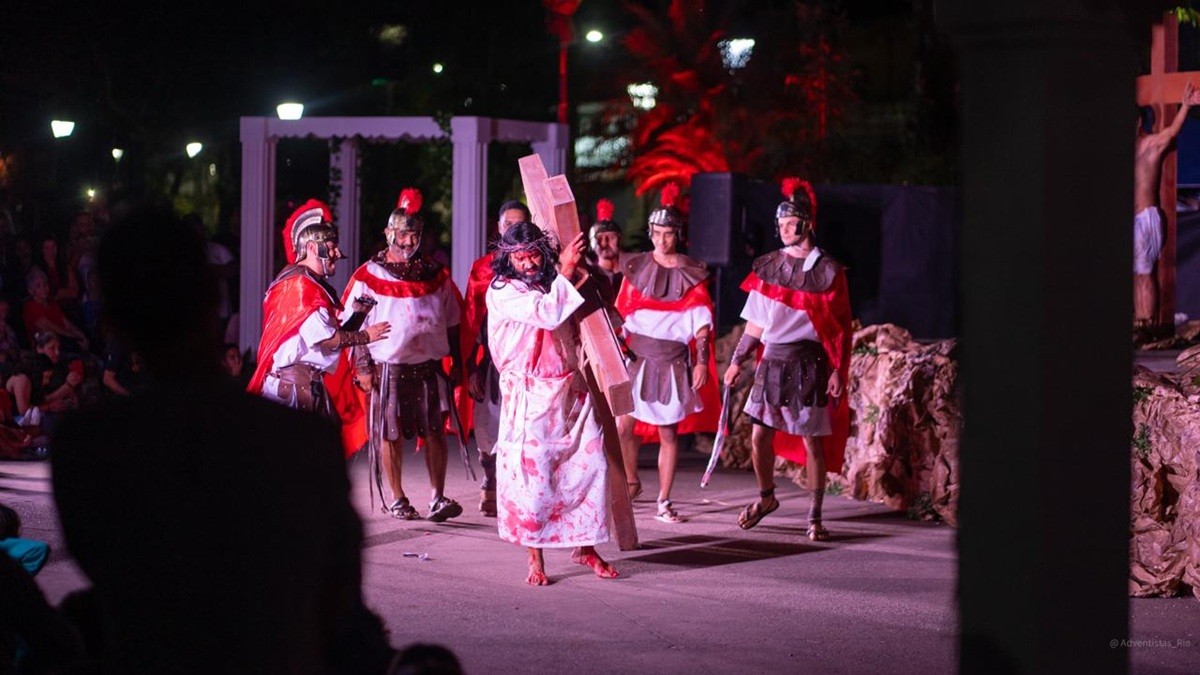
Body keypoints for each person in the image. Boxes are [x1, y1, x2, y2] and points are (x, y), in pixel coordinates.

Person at [50, 206, 391, 673]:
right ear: (213, 299)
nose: (335, 255)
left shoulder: (84, 447)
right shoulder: (300, 441)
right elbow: (337, 593)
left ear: (111, 317)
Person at [486, 221, 619, 585]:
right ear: (507, 258)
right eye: (520, 257)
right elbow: (547, 311)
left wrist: (582, 272)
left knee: (590, 466)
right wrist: (565, 268)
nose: (528, 264)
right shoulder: (503, 290)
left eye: (533, 255)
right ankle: (535, 557)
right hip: (528, 394)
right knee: (536, 478)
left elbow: (581, 304)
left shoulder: (551, 280)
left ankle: (585, 546)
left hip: (568, 387)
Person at [722, 178, 852, 541]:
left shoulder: (828, 271)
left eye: (789, 224)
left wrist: (837, 370)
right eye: (779, 225)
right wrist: (737, 360)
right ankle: (767, 498)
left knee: (813, 442)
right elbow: (756, 324)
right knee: (759, 436)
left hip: (810, 364)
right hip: (772, 362)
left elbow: (839, 329)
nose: (782, 231)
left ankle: (815, 516)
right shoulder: (769, 267)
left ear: (807, 224)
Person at [342, 188, 465, 523]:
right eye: (403, 234)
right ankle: (397, 499)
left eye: (415, 234)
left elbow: (455, 322)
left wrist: (456, 365)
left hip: (429, 368)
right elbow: (354, 325)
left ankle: (437, 498)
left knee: (436, 432)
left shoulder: (436, 274)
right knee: (389, 434)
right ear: (388, 233)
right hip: (388, 368)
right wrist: (363, 366)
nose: (409, 241)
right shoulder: (369, 275)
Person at [614, 183, 717, 523]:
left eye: (667, 233)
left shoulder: (691, 272)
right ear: (650, 233)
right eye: (656, 233)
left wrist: (702, 360)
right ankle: (627, 484)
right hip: (636, 360)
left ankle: (663, 501)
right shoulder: (636, 268)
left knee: (667, 434)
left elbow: (701, 323)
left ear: (678, 234)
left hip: (672, 362)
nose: (661, 239)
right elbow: (621, 318)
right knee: (622, 425)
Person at [247, 199, 389, 425]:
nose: (337, 253)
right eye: (331, 247)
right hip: (293, 393)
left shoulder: (308, 285)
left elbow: (326, 338)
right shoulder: (299, 286)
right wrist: (366, 336)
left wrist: (358, 315)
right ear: (312, 247)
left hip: (306, 388)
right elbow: (328, 341)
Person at [464, 199, 531, 517]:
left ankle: (518, 493)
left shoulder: (539, 264)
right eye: (508, 225)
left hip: (529, 364)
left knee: (524, 433)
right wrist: (473, 368)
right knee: (488, 431)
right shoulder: (483, 269)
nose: (514, 230)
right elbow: (472, 322)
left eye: (520, 224)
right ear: (498, 228)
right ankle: (490, 480)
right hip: (493, 362)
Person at [1134, 80, 1200, 330]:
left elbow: (1171, 132)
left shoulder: (1149, 145)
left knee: (1144, 274)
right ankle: (1140, 323)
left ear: (1138, 122)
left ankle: (1148, 324)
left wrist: (1184, 106)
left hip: (1145, 217)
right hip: (1132, 219)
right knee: (1135, 276)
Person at [22, 267, 89, 353]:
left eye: (45, 284)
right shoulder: (31, 307)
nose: (44, 288)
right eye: (38, 286)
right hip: (49, 348)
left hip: (67, 342)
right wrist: (75, 339)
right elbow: (53, 328)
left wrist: (81, 335)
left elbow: (67, 323)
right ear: (31, 291)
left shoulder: (52, 304)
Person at [588, 199, 625, 292]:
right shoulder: (590, 276)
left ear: (620, 239)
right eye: (599, 238)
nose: (604, 243)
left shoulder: (634, 271)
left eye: (611, 237)